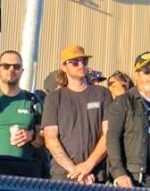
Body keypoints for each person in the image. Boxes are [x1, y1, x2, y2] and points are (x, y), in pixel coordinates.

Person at [42, 43, 112, 182]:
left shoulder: (102, 94)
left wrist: (88, 165)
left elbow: (108, 134)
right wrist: (74, 170)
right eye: (75, 62)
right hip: (63, 175)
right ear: (63, 67)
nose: (81, 65)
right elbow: (50, 139)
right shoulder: (54, 98)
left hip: (96, 173)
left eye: (84, 61)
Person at [106, 66, 150, 189]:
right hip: (134, 178)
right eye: (146, 71)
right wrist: (119, 173)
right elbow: (112, 139)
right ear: (137, 75)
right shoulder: (124, 102)